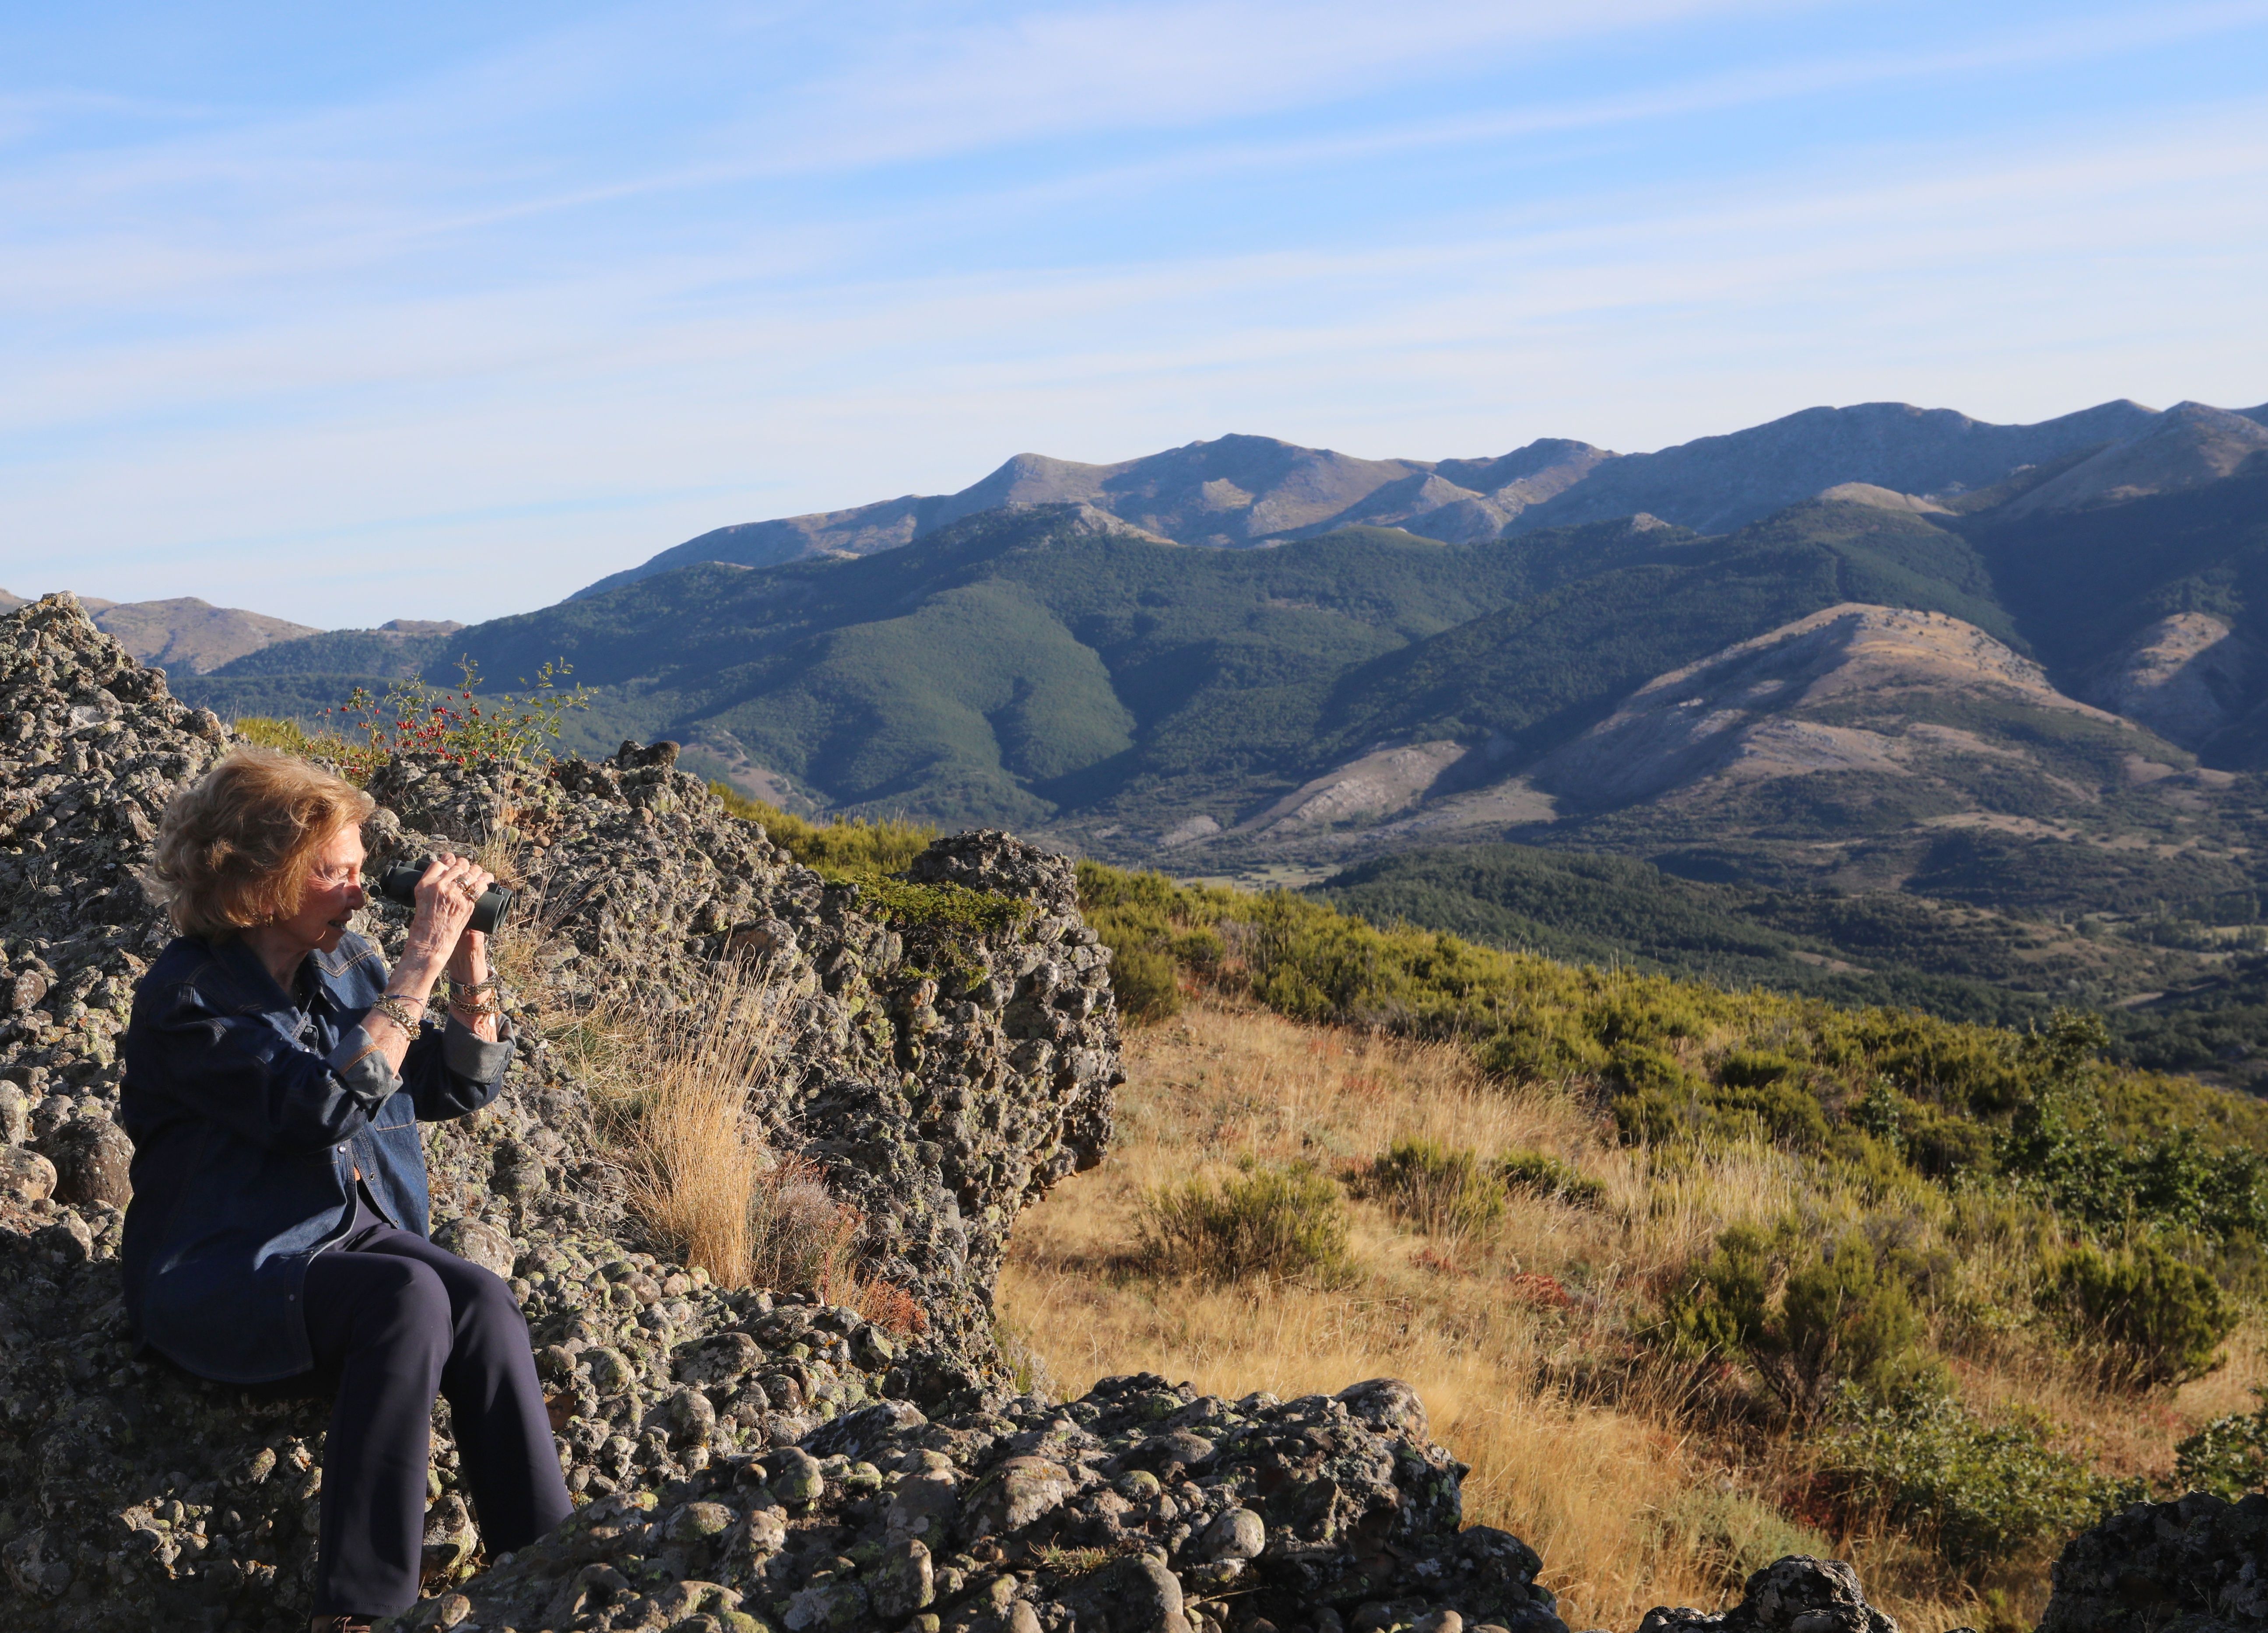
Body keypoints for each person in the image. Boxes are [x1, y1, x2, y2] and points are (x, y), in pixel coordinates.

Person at [119, 747, 572, 1633]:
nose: (362, 894)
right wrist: (417, 966)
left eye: (364, 872)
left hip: (350, 1234)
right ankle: (362, 1611)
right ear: (257, 879)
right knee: (408, 1298)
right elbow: (323, 1105)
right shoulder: (191, 1001)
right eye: (336, 873)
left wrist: (468, 960)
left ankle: (551, 1566)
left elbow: (456, 1087)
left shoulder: (345, 967)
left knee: (476, 1297)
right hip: (232, 1265)